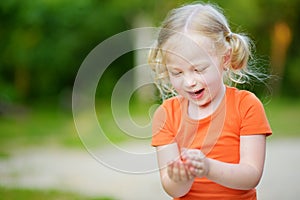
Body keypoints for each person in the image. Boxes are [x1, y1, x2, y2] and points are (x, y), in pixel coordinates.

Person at [148, 2, 272, 200]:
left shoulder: (246, 105)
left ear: (225, 59)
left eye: (199, 69)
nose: (189, 82)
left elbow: (251, 176)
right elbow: (174, 190)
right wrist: (182, 177)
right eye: (177, 72)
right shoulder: (166, 114)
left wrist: (208, 167)